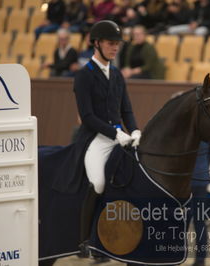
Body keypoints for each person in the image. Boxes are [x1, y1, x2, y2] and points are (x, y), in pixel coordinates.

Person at [73, 20, 141, 252]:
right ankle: (84, 239)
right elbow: (88, 116)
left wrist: (135, 130)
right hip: (95, 138)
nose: (115, 48)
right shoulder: (84, 75)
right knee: (99, 183)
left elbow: (127, 110)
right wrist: (115, 133)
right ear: (97, 43)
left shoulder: (117, 74)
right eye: (111, 43)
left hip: (120, 136)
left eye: (117, 44)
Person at [189, 141, 210, 266]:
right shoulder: (206, 136)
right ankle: (200, 259)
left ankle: (175, 255)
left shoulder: (187, 131)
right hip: (202, 180)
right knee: (200, 222)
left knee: (182, 221)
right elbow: (209, 157)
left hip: (186, 181)